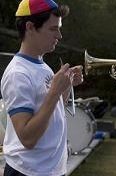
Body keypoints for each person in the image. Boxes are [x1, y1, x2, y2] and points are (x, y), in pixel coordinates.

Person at [0, 0, 83, 175]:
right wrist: (54, 91)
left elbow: (53, 110)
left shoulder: (42, 66)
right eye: (53, 29)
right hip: (28, 171)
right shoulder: (18, 73)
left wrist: (65, 87)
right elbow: (27, 138)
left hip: (48, 170)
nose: (59, 36)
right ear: (30, 27)